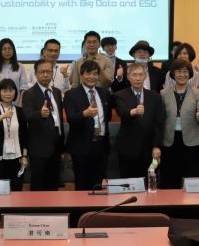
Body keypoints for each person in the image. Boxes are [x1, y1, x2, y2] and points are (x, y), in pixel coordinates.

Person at [64, 60, 112, 191]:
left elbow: (107, 117)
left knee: (98, 183)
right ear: (81, 75)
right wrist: (85, 113)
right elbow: (70, 118)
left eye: (95, 74)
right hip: (81, 146)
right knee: (82, 184)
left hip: (101, 145)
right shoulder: (71, 94)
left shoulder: (104, 93)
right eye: (88, 73)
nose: (92, 77)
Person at [160, 59, 199, 189]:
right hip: (169, 142)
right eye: (179, 71)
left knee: (191, 181)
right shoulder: (163, 93)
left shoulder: (198, 92)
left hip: (192, 142)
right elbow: (160, 118)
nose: (182, 75)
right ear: (173, 74)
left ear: (190, 74)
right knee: (169, 181)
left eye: (185, 71)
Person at [112, 63, 165, 179]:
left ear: (145, 76)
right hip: (127, 148)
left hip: (148, 148)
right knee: (128, 183)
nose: (137, 78)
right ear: (128, 77)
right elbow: (122, 112)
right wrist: (134, 111)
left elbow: (158, 123)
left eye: (141, 75)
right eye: (134, 75)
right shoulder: (120, 95)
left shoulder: (155, 97)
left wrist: (156, 146)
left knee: (148, 182)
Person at [22, 59, 64, 191]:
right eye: (42, 72)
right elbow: (27, 115)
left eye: (48, 71)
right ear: (35, 74)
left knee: (54, 183)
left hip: (56, 145)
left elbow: (59, 120)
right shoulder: (29, 93)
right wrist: (39, 113)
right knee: (38, 184)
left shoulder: (56, 92)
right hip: (39, 147)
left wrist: (61, 145)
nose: (45, 75)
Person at [0, 79, 28, 192]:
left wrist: (24, 156)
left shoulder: (19, 111)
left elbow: (25, 134)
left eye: (11, 90)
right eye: (4, 91)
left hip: (17, 156)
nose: (8, 94)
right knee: (0, 188)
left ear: (15, 92)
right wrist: (3, 115)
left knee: (17, 187)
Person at [0, 38, 30, 105]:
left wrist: (20, 104)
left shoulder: (20, 66)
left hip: (16, 104)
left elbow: (24, 87)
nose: (7, 51)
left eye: (10, 48)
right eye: (4, 49)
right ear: (0, 51)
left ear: (13, 50)